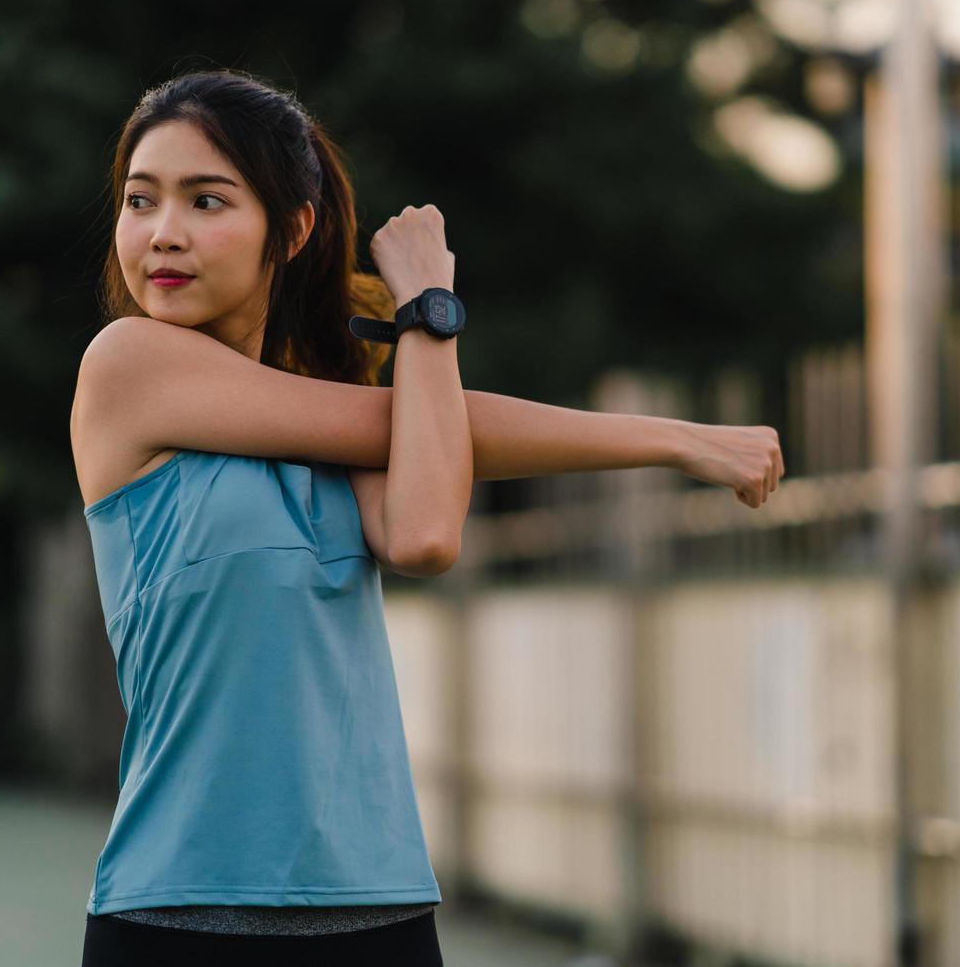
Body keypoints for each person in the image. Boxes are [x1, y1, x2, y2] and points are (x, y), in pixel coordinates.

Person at [71, 67, 783, 965]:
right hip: (178, 913)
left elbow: (423, 532)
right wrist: (431, 312)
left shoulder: (331, 400)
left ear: (290, 230)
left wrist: (423, 336)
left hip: (378, 908)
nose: (164, 235)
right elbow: (412, 428)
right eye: (142, 202)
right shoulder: (128, 366)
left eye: (207, 201)